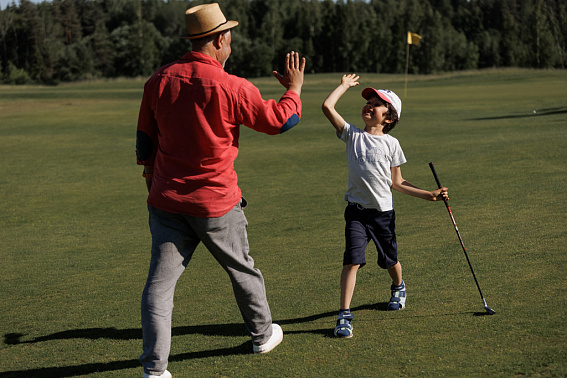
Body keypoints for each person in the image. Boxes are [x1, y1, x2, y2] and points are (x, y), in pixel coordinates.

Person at [135, 3, 306, 377]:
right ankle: (262, 336)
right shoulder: (231, 85)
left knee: (159, 287)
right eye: (228, 36)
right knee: (243, 271)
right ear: (219, 39)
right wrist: (294, 88)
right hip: (216, 204)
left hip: (166, 201)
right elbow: (282, 121)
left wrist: (152, 178)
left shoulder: (158, 79)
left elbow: (144, 144)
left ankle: (154, 370)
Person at [321, 74, 448, 338]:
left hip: (382, 215)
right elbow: (327, 107)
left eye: (377, 103)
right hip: (356, 212)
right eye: (369, 100)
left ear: (389, 118)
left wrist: (429, 194)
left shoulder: (392, 144)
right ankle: (344, 315)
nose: (369, 104)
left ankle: (399, 285)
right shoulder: (352, 135)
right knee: (351, 261)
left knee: (389, 260)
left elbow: (397, 183)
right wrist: (344, 86)